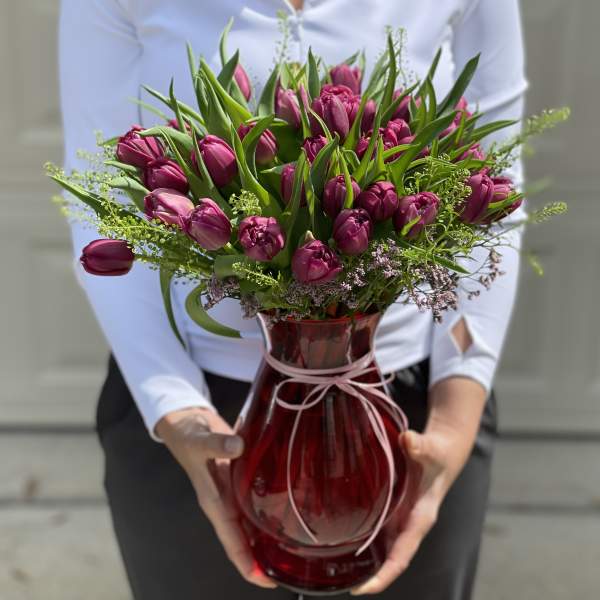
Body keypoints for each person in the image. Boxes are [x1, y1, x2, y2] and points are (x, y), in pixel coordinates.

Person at [59, 1, 527, 598]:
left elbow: (496, 186)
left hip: (411, 409)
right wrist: (174, 411)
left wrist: (455, 421)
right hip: (197, 410)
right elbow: (99, 204)